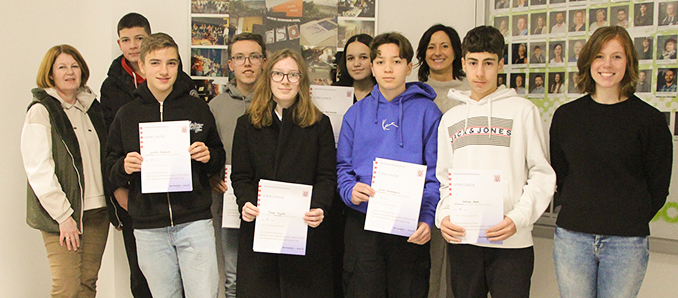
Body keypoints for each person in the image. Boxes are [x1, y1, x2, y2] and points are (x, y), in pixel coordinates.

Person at [550, 26, 672, 298]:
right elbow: (559, 174)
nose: (607, 65)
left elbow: (658, 186)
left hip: (626, 242)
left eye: (617, 57)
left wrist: (629, 218)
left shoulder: (649, 120)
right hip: (573, 238)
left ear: (628, 63)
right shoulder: (566, 117)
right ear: (588, 61)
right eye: (599, 56)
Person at [436, 25, 556, 298]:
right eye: (474, 63)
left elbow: (541, 174)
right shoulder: (451, 119)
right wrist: (443, 216)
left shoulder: (523, 112)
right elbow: (444, 178)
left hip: (511, 243)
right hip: (464, 241)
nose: (480, 73)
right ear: (463, 63)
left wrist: (517, 219)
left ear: (500, 64)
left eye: (488, 63)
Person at [105, 33, 224, 298]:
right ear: (143, 66)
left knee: (204, 294)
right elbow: (110, 166)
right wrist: (125, 166)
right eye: (156, 63)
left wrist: (209, 157)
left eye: (171, 63)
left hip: (194, 222)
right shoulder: (126, 115)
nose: (164, 70)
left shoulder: (197, 109)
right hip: (149, 228)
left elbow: (218, 155)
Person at [337, 32, 441, 298]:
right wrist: (349, 190)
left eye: (396, 61)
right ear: (372, 67)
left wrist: (428, 219)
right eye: (380, 62)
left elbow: (436, 174)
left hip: (410, 225)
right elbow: (342, 168)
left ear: (409, 66)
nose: (388, 68)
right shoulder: (355, 114)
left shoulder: (428, 113)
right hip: (363, 224)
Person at [231, 48, 336, 298]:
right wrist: (245, 202)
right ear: (268, 78)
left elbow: (326, 176)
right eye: (278, 74)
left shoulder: (319, 123)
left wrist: (320, 206)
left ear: (302, 81)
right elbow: (241, 176)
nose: (285, 81)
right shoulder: (246, 125)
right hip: (261, 229)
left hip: (304, 230)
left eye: (292, 75)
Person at [21, 44, 109, 298]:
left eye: (74, 66)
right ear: (50, 74)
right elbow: (39, 169)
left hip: (97, 212)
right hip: (62, 217)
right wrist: (63, 217)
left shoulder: (91, 108)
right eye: (62, 67)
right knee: (66, 289)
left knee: (87, 284)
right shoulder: (41, 110)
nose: (70, 72)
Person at [208, 32, 267, 298]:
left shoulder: (277, 101)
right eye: (240, 57)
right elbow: (209, 152)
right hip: (230, 204)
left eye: (253, 56)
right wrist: (210, 176)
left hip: (270, 202)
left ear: (264, 61)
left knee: (268, 276)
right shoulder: (215, 106)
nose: (247, 63)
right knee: (233, 277)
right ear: (230, 64)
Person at [415, 23, 468, 298]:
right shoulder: (413, 92)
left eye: (445, 45)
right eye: (431, 47)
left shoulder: (473, 91)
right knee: (425, 264)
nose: (438, 52)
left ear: (456, 52)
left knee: (456, 267)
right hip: (422, 190)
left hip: (462, 189)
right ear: (423, 54)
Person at [336, 34, 377, 102]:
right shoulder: (336, 91)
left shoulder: (385, 94)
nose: (356, 64)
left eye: (363, 57)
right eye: (350, 58)